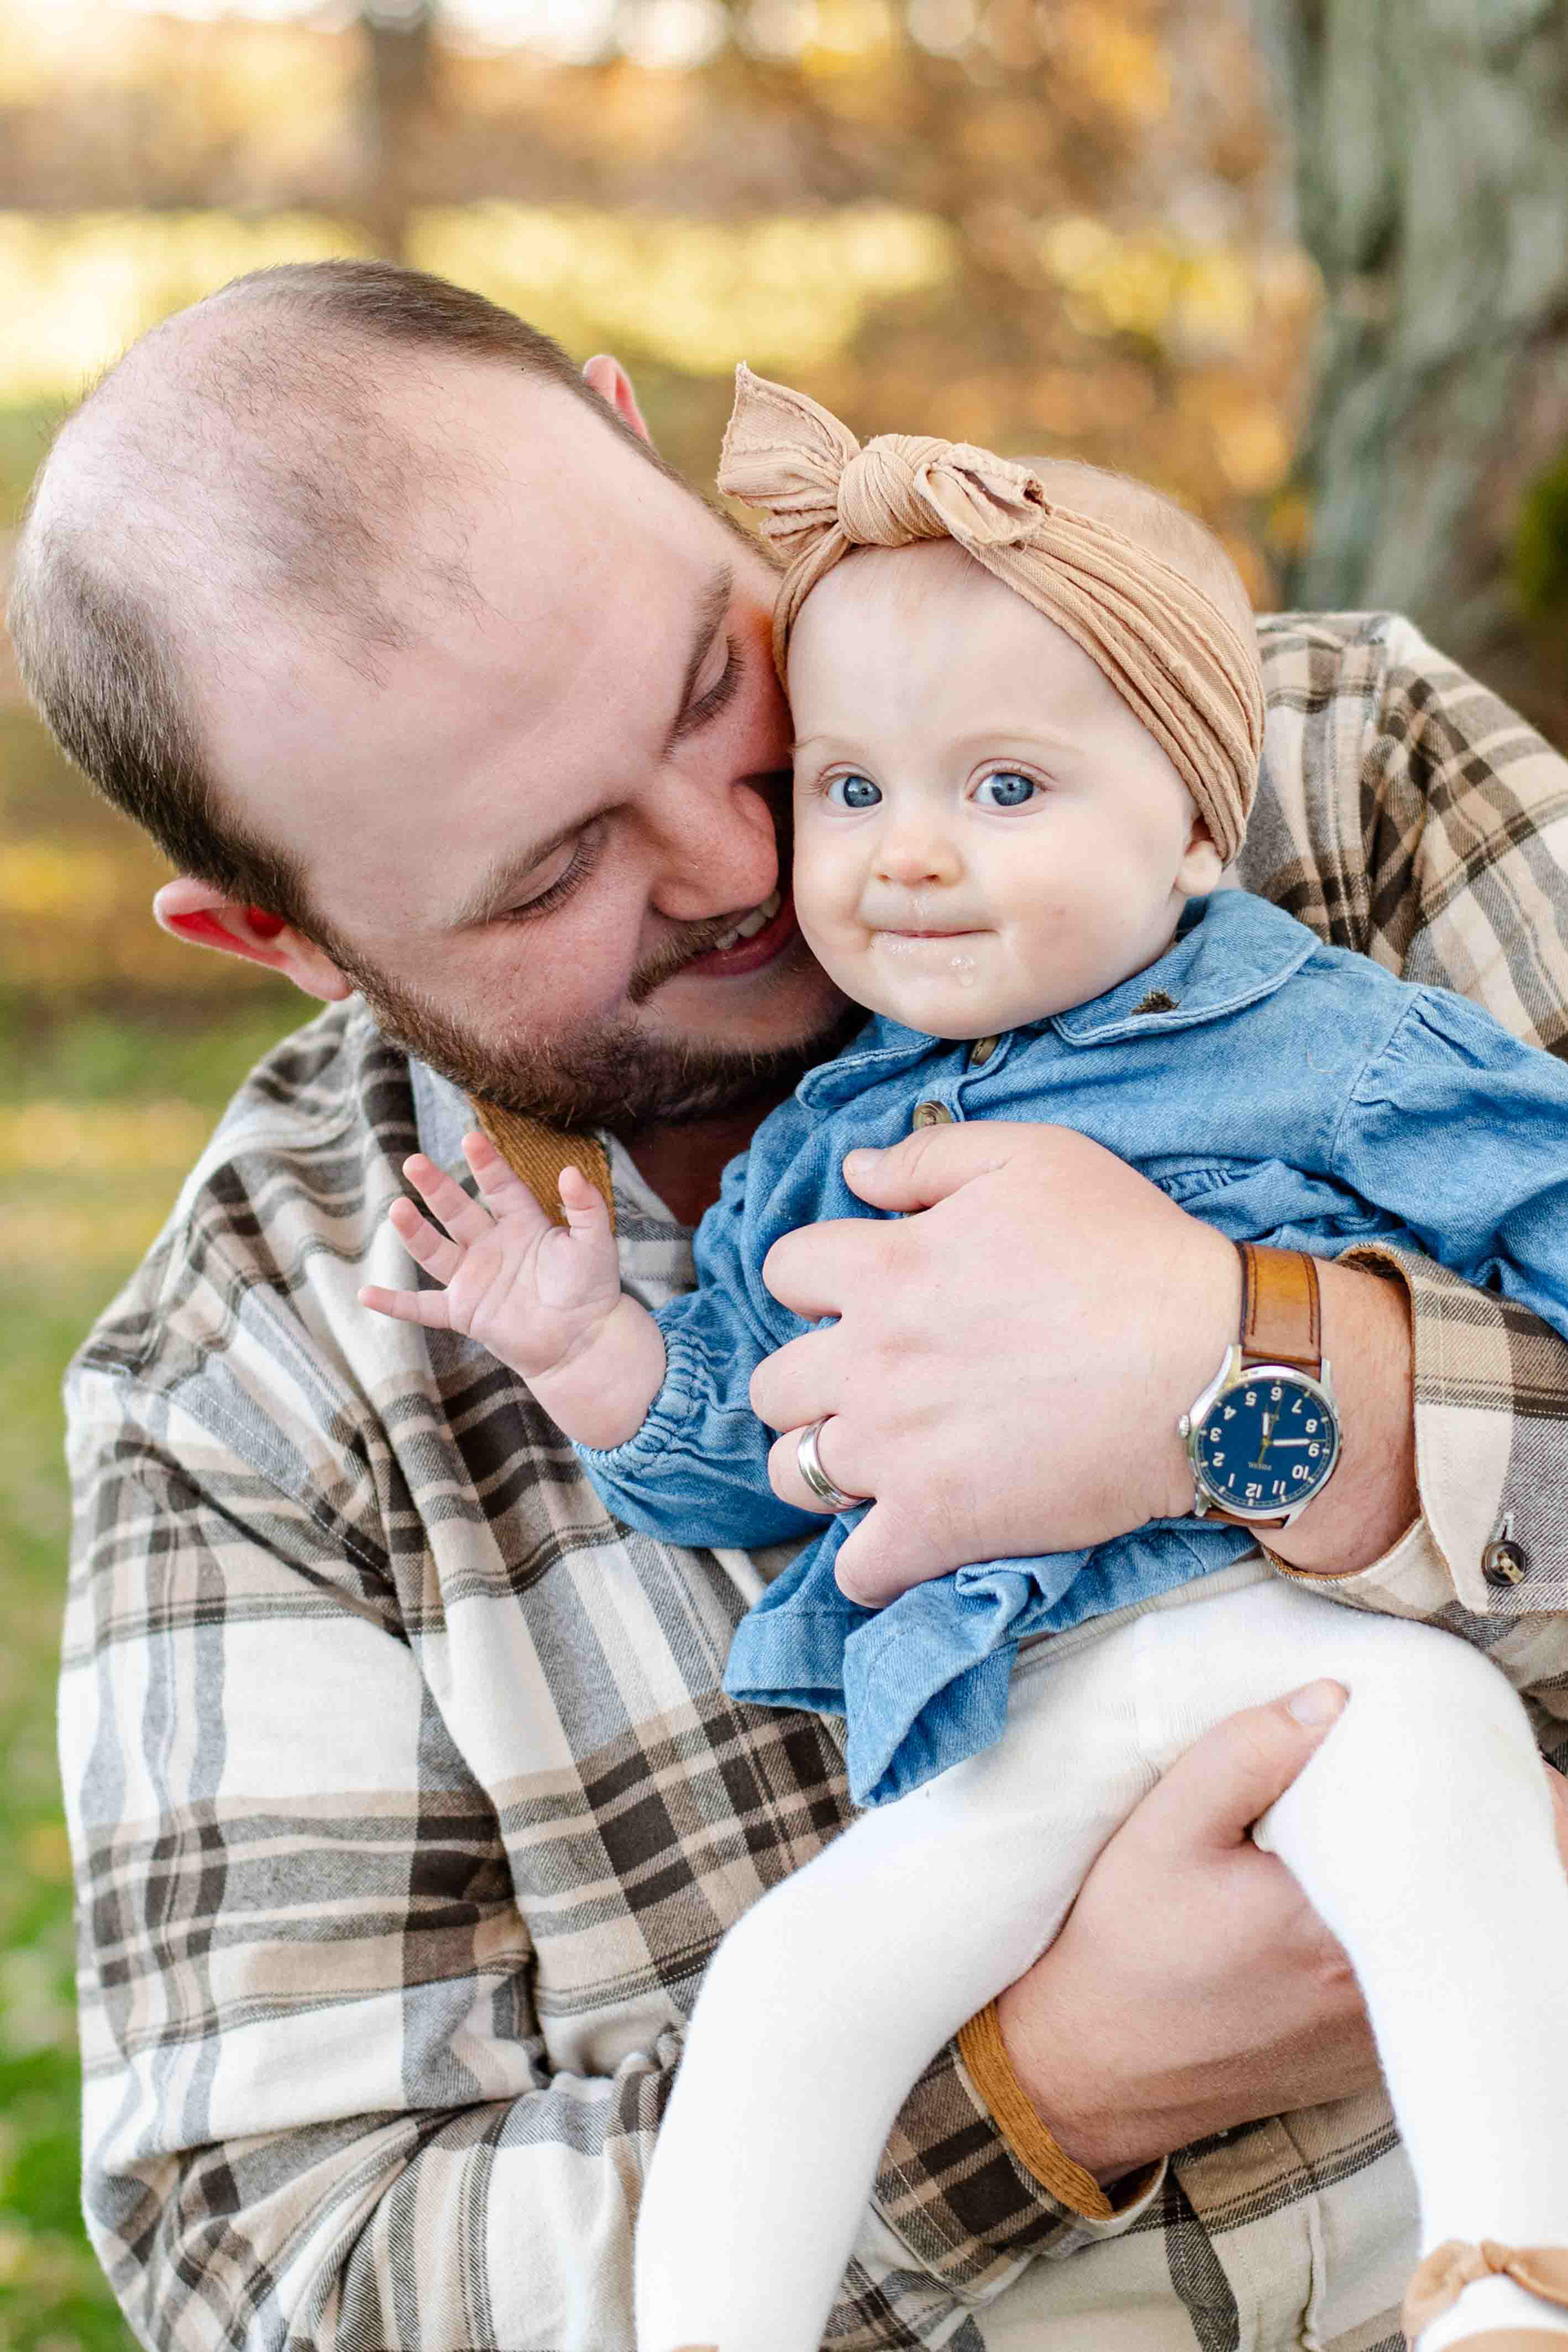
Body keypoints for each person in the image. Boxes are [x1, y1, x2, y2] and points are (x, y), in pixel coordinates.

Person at [10, 259, 1568, 2351]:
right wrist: (1045, 2082)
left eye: (696, 687)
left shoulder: (1328, 777)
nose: (740, 855)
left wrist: (1291, 1382)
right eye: (547, 873)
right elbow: (275, 2268)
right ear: (271, 934)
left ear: (635, 440)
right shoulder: (257, 1387)